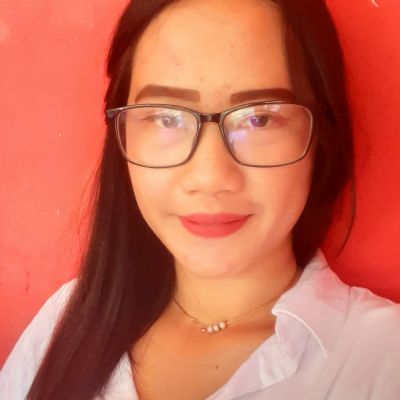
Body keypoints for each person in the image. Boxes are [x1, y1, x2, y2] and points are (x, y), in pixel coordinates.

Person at [1, 0, 400, 399]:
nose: (210, 178)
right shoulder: (62, 322)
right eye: (166, 117)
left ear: (320, 139)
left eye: (259, 118)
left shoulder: (384, 359)